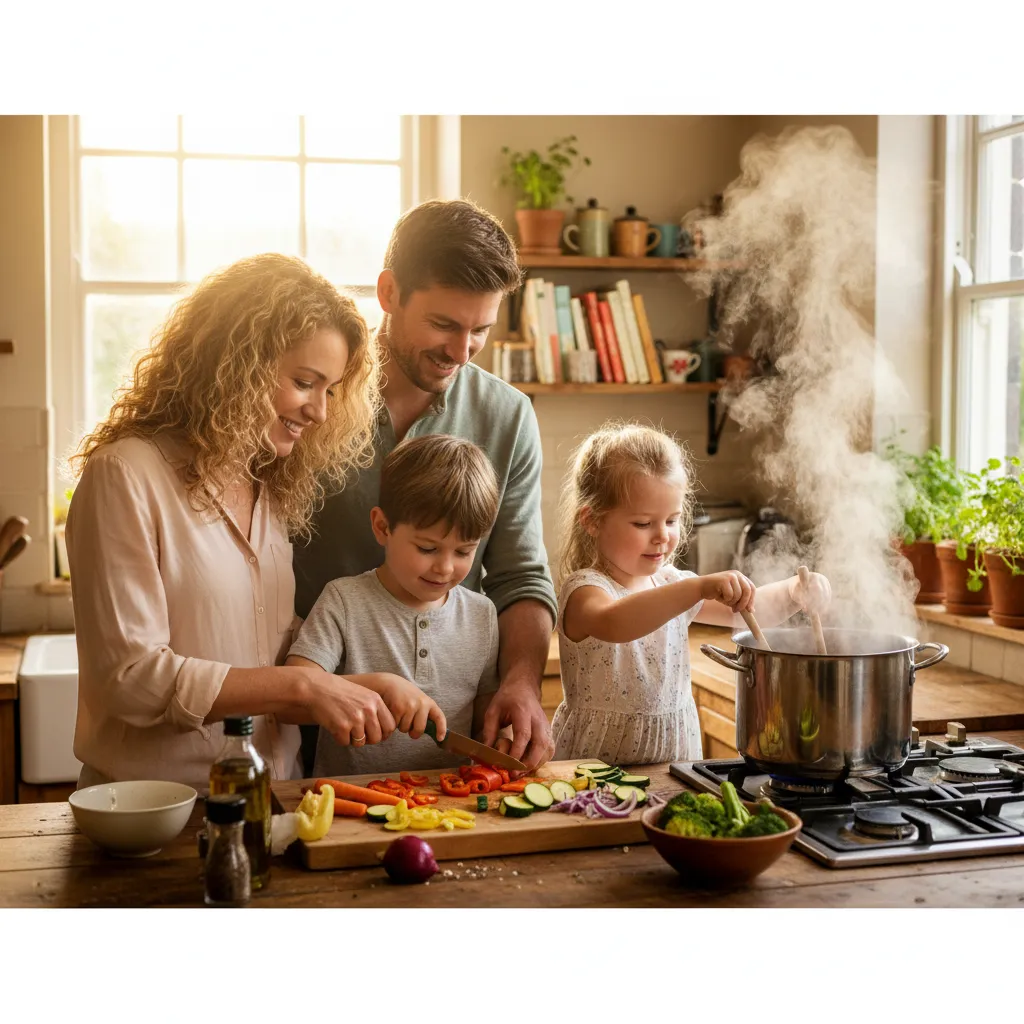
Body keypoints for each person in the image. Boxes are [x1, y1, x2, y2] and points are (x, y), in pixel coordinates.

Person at [65, 253, 409, 792]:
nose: (320, 411)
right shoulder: (125, 474)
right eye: (304, 382)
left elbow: (259, 655)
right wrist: (304, 690)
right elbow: (130, 678)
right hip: (159, 811)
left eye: (330, 390)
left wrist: (363, 685)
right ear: (236, 364)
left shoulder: (266, 486)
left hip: (275, 797)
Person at [293, 199, 557, 772]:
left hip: (443, 759)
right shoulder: (311, 396)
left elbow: (520, 575)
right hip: (302, 724)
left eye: (480, 330)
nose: (461, 352)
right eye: (443, 325)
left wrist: (521, 683)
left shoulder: (508, 416)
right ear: (389, 293)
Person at [552, 421, 831, 765]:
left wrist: (794, 592)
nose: (662, 536)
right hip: (596, 770)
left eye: (671, 520)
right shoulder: (585, 590)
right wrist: (697, 587)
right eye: (643, 523)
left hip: (675, 759)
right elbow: (614, 623)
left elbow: (747, 609)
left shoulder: (671, 583)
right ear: (592, 520)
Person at [287, 434, 506, 777]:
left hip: (449, 800)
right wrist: (379, 686)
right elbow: (292, 697)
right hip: (353, 798)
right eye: (427, 549)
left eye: (464, 551)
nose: (445, 568)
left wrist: (504, 738)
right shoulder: (344, 600)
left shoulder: (482, 615)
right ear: (382, 527)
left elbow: (485, 718)